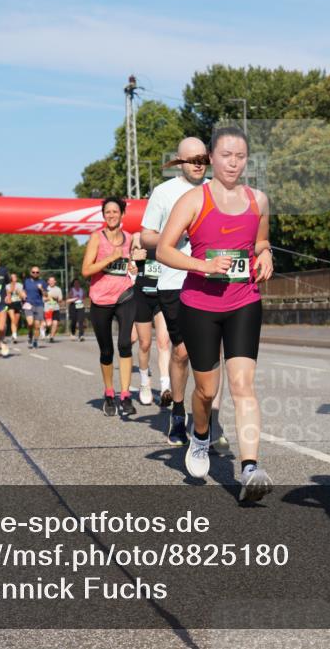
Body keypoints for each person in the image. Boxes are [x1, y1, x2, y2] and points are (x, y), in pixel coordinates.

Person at [157, 126, 274, 502]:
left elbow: (260, 242)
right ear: (212, 156)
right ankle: (200, 436)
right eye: (226, 155)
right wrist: (203, 266)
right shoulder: (194, 199)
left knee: (242, 385)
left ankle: (251, 468)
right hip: (199, 305)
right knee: (207, 391)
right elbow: (163, 250)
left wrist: (266, 254)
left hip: (244, 301)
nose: (234, 163)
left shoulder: (259, 200)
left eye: (240, 156)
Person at [141, 137, 229, 447]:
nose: (197, 163)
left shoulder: (218, 191)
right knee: (181, 352)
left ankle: (211, 425)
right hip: (175, 280)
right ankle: (178, 414)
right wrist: (172, 236)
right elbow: (145, 236)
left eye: (202, 158)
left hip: (211, 280)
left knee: (212, 355)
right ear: (179, 160)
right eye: (190, 158)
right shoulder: (164, 193)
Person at [82, 196, 137, 417]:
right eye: (107, 212)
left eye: (115, 211)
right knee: (107, 351)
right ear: (103, 215)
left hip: (125, 295)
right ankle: (109, 392)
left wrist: (134, 264)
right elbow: (86, 270)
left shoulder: (130, 238)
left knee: (125, 343)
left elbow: (129, 265)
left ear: (123, 214)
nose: (111, 215)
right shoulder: (97, 238)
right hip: (100, 299)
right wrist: (109, 259)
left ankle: (125, 395)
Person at [129, 232, 172, 406]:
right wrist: (133, 258)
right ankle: (145, 382)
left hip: (162, 293)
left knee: (163, 341)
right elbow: (129, 262)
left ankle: (165, 387)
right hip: (142, 295)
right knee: (145, 343)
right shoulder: (138, 236)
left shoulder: (170, 233)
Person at [22, 266, 46, 349]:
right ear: (30, 273)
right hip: (29, 304)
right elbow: (23, 291)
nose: (35, 274)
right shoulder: (26, 281)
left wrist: (41, 289)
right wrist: (23, 296)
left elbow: (46, 294)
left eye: (37, 272)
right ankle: (30, 334)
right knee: (30, 323)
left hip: (39, 305)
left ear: (39, 273)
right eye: (33, 272)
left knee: (37, 326)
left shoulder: (42, 282)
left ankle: (35, 340)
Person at [44, 275, 64, 343]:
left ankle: (52, 337)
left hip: (55, 308)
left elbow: (60, 299)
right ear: (48, 282)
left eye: (53, 281)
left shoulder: (58, 289)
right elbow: (43, 299)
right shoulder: (45, 289)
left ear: (55, 281)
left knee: (55, 323)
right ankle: (47, 330)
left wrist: (58, 299)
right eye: (50, 281)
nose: (52, 282)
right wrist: (50, 297)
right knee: (49, 324)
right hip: (47, 309)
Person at [6, 273, 23, 344]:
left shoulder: (20, 285)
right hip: (10, 303)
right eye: (12, 277)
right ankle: (15, 336)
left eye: (14, 277)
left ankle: (13, 333)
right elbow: (8, 293)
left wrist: (19, 292)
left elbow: (21, 295)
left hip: (18, 302)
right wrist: (13, 287)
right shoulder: (7, 286)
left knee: (16, 321)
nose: (13, 278)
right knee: (12, 319)